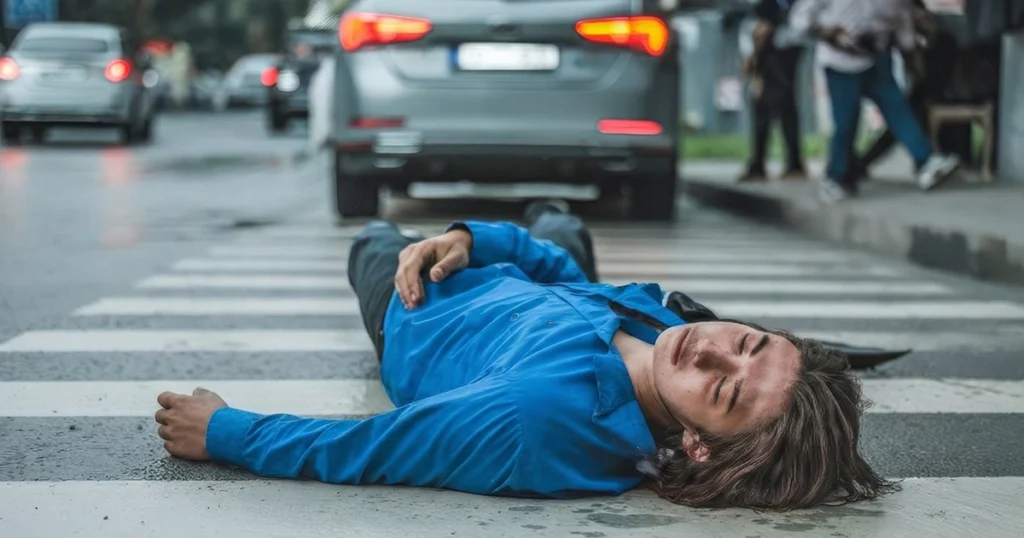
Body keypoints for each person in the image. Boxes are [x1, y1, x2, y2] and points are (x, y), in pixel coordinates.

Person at [154, 201, 896, 510]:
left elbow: (366, 446)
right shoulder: (659, 324)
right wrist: (469, 239)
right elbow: (562, 283)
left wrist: (224, 432)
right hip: (545, 288)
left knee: (374, 237)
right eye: (748, 342)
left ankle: (407, 234)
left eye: (724, 392)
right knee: (555, 230)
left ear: (699, 446)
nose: (710, 351)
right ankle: (513, 219)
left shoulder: (530, 421)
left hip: (418, 310)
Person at [789, 0, 961, 203]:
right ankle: (835, 177)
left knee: (897, 107)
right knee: (846, 119)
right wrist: (827, 33)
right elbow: (799, 20)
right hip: (841, 60)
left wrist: (913, 63)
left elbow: (903, 28)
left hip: (877, 55)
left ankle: (926, 160)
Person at [848, 0, 962, 183]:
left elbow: (931, 77)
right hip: (920, 93)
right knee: (901, 116)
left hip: (938, 93)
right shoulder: (907, 36)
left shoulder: (943, 42)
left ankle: (866, 162)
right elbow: (916, 72)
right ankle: (863, 162)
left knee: (904, 116)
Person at [739, 0, 809, 182]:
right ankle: (770, 163)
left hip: (782, 46)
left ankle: (787, 164)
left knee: (780, 104)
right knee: (771, 105)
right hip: (771, 45)